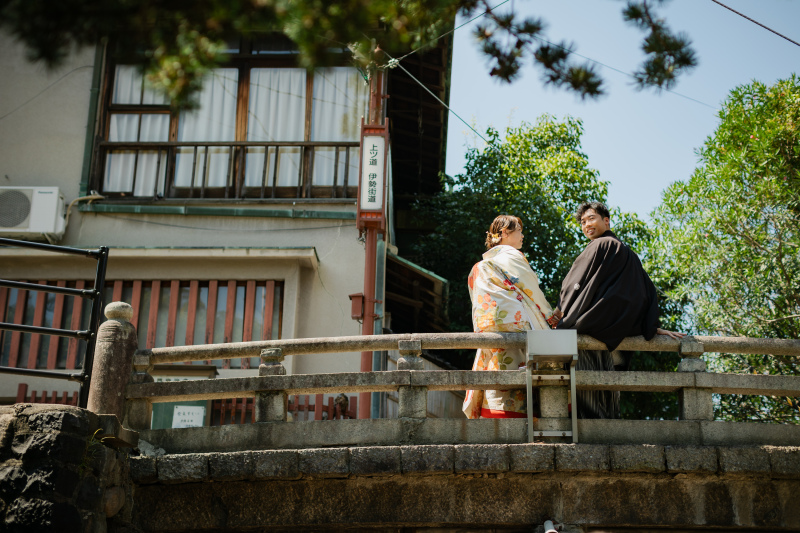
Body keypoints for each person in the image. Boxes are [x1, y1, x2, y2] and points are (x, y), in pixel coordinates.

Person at [550, 201, 685, 419]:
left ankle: (591, 438)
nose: (586, 225)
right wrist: (650, 326)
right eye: (583, 222)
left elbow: (573, 284)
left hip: (590, 327)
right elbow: (645, 293)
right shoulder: (628, 252)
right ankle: (606, 435)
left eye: (591, 218)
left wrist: (560, 312)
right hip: (618, 337)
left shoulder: (598, 246)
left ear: (606, 221)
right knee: (606, 395)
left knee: (585, 392)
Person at [463, 215, 556, 419]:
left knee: (496, 370)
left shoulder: (480, 266)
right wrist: (551, 317)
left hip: (489, 327)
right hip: (517, 323)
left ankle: (494, 414)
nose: (522, 235)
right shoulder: (512, 256)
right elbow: (531, 289)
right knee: (525, 370)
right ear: (505, 233)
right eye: (519, 231)